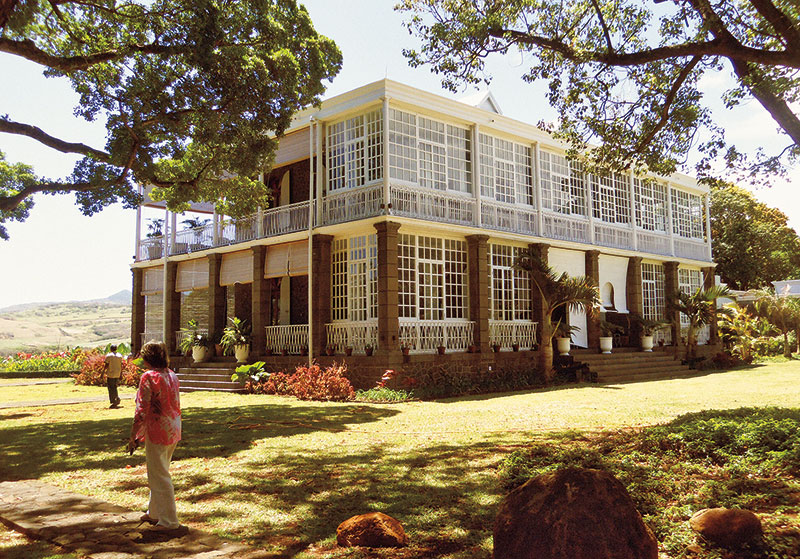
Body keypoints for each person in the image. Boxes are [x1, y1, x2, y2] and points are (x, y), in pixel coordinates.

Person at [127, 342, 185, 534]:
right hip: (173, 428)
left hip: (158, 429)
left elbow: (141, 409)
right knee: (160, 470)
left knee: (159, 475)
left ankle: (169, 520)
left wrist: (133, 435)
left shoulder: (148, 377)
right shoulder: (171, 374)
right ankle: (154, 512)